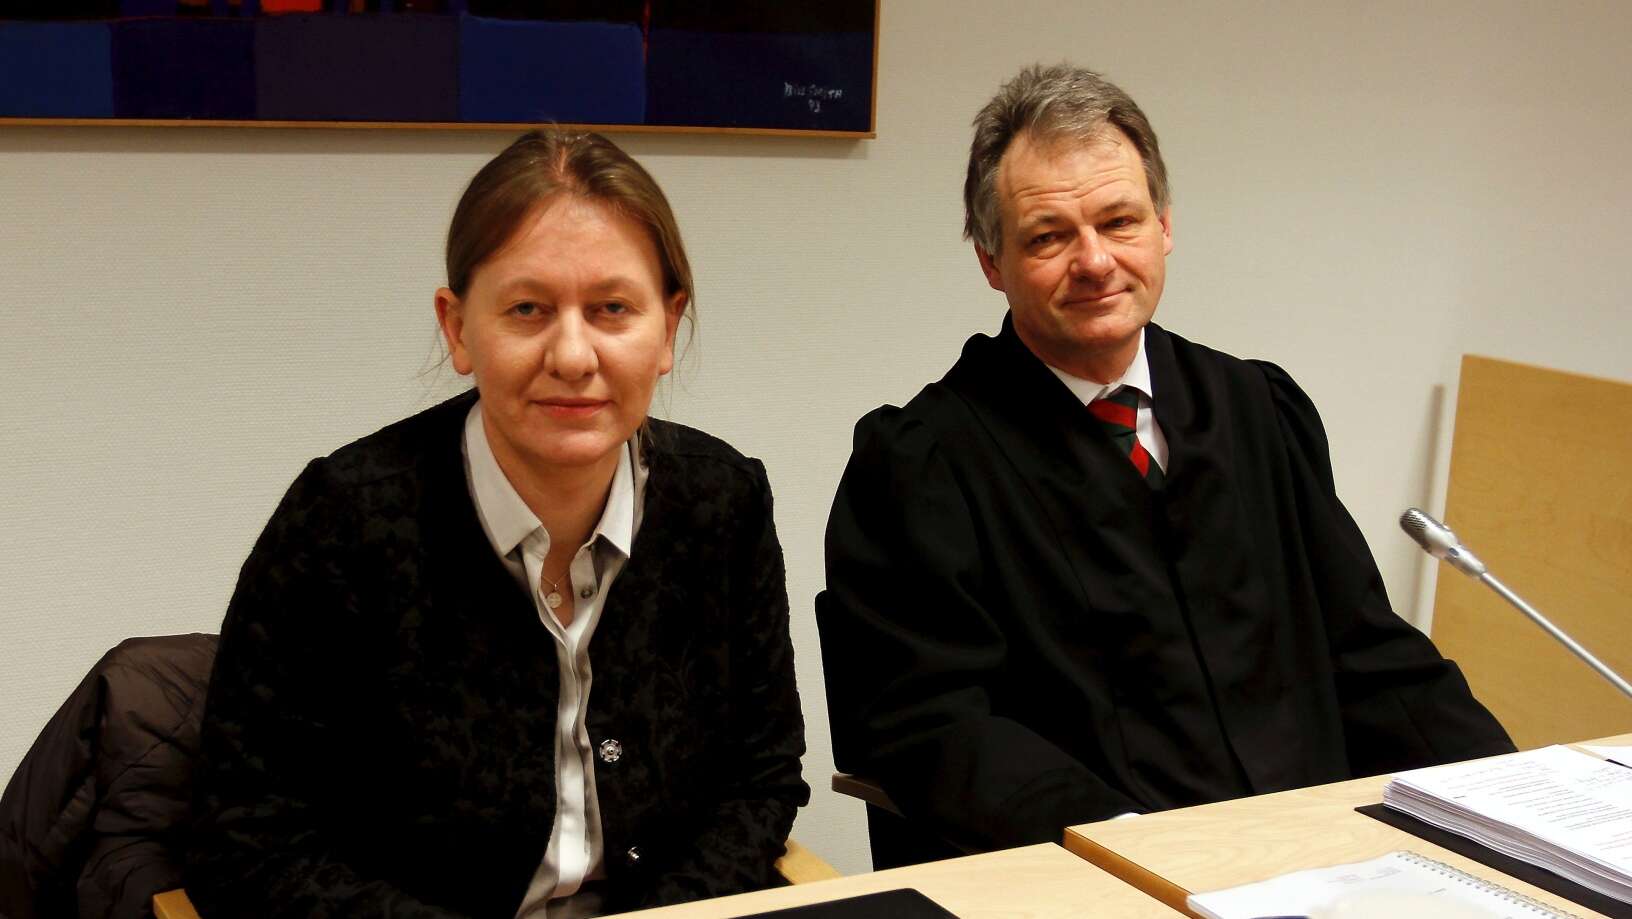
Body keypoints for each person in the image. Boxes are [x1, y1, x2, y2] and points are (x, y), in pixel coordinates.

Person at [816, 64, 1514, 868]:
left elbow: (1366, 652)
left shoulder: (1256, 408)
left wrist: (1513, 794)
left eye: (1119, 221)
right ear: (991, 262)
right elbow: (931, 726)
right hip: (1097, 874)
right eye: (1049, 236)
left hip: (1320, 859)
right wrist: (1131, 846)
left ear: (1165, 225)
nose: (1095, 261)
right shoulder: (923, 465)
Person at [187, 129, 808, 917]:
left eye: (613, 309)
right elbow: (246, 840)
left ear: (668, 327)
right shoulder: (342, 521)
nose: (573, 355)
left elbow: (760, 777)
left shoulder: (724, 501)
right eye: (527, 309)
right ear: (457, 329)